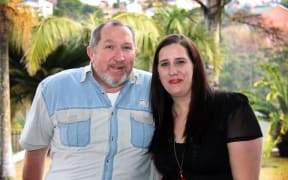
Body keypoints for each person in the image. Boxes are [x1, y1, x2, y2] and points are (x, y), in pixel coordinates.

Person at [19, 20, 158, 180]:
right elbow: (35, 151)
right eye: (109, 47)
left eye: (126, 47)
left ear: (135, 52)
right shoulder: (53, 88)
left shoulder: (156, 89)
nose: (120, 57)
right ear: (91, 53)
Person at [148, 34, 263, 180]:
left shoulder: (232, 108)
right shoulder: (161, 117)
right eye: (165, 64)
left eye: (180, 62)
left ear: (195, 66)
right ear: (157, 72)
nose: (172, 71)